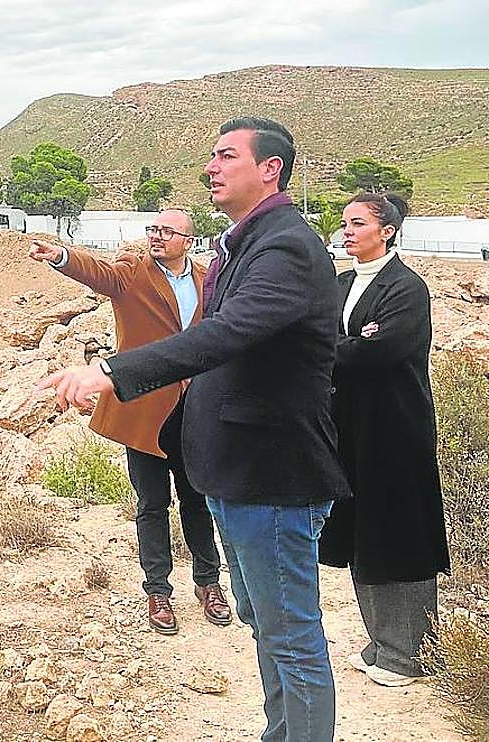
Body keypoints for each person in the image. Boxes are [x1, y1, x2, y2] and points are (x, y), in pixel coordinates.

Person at [39, 117, 349, 742]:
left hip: (272, 475)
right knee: (267, 627)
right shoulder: (246, 244)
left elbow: (225, 334)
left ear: (270, 169)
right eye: (211, 156)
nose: (211, 167)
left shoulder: (285, 246)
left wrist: (112, 370)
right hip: (239, 471)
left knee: (290, 638)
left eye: (227, 156)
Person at [29, 209, 230, 636]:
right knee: (152, 503)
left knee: (197, 501)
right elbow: (98, 273)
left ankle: (208, 583)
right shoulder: (131, 271)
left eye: (166, 232)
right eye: (153, 229)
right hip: (145, 410)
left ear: (188, 241)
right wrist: (62, 256)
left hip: (196, 408)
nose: (156, 236)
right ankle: (158, 591)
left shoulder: (207, 278)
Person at [318, 193, 450, 688]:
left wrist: (349, 347)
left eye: (357, 223)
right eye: (345, 223)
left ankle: (408, 654)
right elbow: (323, 340)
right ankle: (381, 641)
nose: (346, 231)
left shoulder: (407, 288)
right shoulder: (342, 283)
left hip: (395, 430)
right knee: (363, 532)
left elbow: (382, 352)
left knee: (399, 533)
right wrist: (354, 341)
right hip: (350, 428)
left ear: (387, 230)